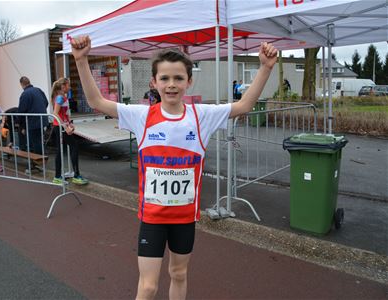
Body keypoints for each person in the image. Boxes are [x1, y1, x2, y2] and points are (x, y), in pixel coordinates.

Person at [71, 35, 277, 299]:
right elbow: (97, 102)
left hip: (184, 219)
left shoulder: (202, 116)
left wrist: (265, 68)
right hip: (152, 218)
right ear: (154, 82)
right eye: (165, 79)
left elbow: (244, 105)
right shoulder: (142, 116)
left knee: (179, 274)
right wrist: (81, 60)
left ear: (189, 82)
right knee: (148, 286)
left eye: (178, 78)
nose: (171, 85)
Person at [51, 77, 88, 185]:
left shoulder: (63, 97)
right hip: (60, 127)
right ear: (63, 86)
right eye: (68, 85)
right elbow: (55, 113)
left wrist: (70, 123)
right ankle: (75, 175)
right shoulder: (60, 98)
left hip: (61, 126)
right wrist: (65, 127)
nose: (70, 87)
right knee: (73, 146)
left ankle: (58, 176)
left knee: (62, 150)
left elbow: (65, 113)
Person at [18, 76, 49, 155]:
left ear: (22, 84)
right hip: (42, 120)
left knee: (34, 142)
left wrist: (22, 125)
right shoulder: (39, 90)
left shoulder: (25, 94)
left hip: (32, 122)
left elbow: (21, 111)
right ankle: (41, 158)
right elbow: (46, 102)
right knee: (39, 140)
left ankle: (38, 161)